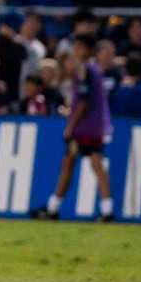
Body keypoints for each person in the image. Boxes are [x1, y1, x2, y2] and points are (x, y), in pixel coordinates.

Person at [31, 35, 116, 221]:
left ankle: (55, 209)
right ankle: (103, 208)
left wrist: (71, 126)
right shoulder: (92, 70)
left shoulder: (85, 71)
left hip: (84, 128)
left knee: (82, 164)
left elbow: (83, 102)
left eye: (78, 47)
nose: (75, 51)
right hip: (91, 126)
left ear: (86, 49)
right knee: (76, 163)